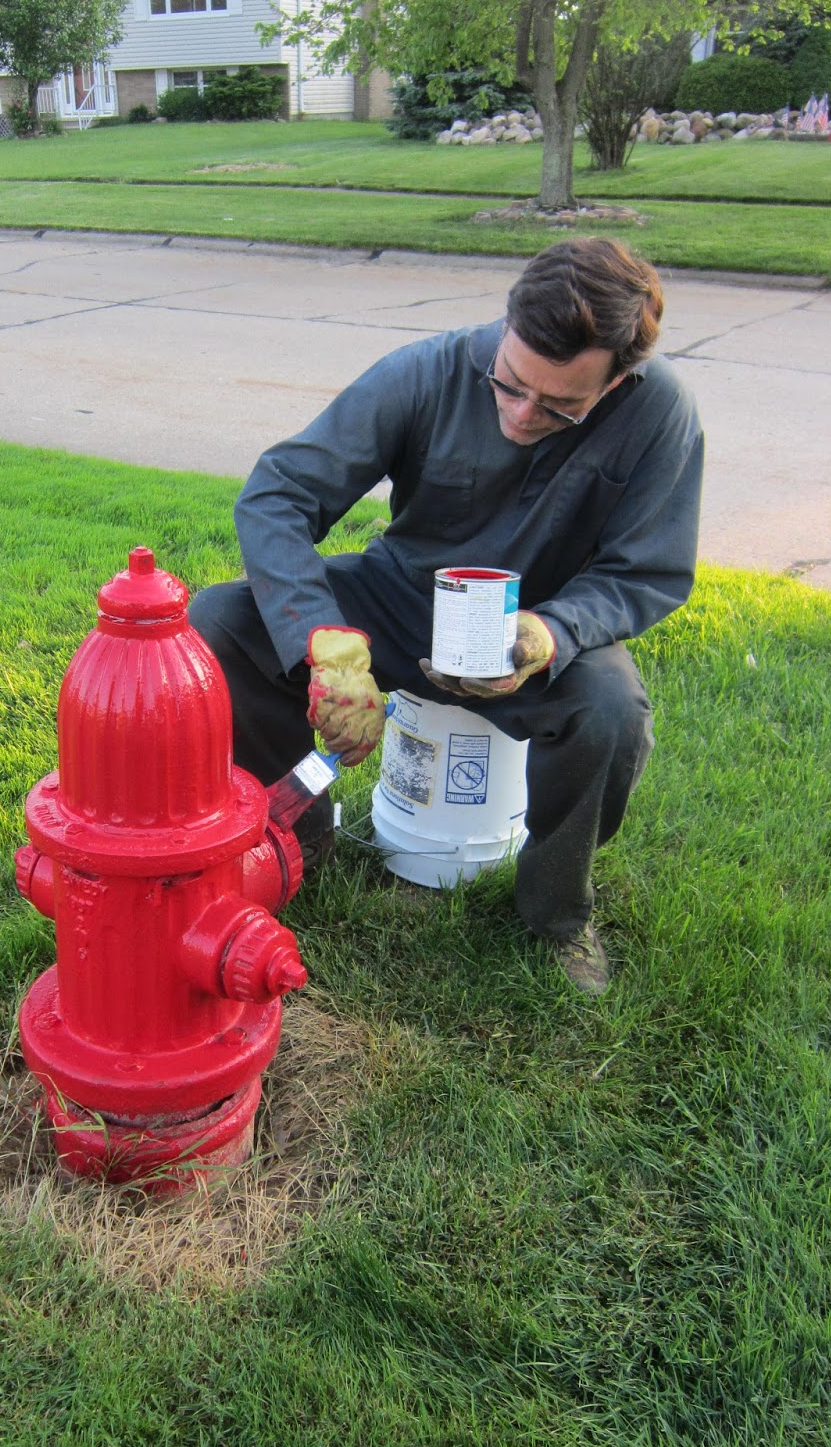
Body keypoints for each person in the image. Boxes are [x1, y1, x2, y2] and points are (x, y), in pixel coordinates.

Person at [190, 237, 704, 995]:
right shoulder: (428, 371)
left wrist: (552, 633)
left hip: (531, 630)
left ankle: (557, 915)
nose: (522, 414)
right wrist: (327, 648)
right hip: (404, 599)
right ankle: (299, 839)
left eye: (560, 407)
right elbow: (277, 494)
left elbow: (647, 571)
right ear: (505, 329)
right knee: (223, 619)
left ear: (619, 381)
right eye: (510, 383)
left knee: (613, 711)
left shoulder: (661, 414)